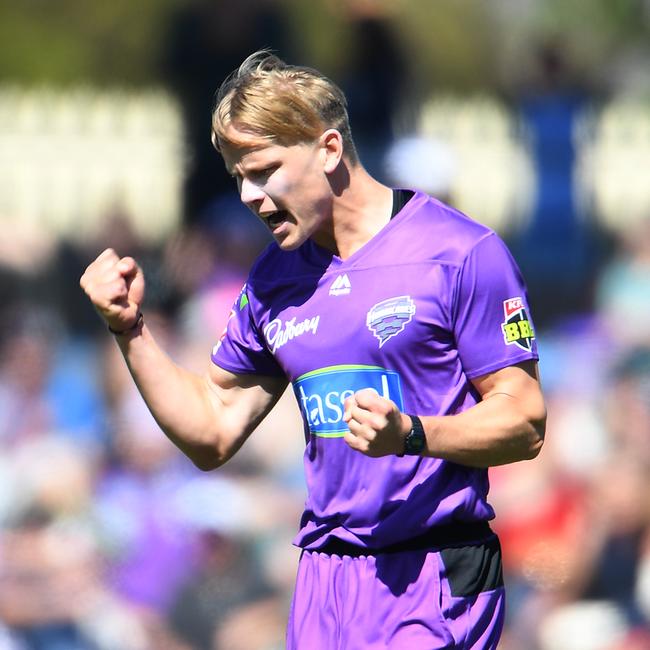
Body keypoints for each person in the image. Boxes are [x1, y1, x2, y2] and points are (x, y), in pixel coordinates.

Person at [80, 51, 546, 650]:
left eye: (265, 170)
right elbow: (211, 432)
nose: (249, 195)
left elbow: (525, 421)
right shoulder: (276, 279)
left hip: (430, 570)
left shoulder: (461, 253)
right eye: (238, 178)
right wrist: (130, 330)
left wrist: (412, 434)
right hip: (324, 578)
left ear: (328, 150)